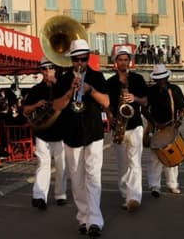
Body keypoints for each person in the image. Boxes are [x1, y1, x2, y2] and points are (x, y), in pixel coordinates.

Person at [52, 39, 109, 237]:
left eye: (83, 59)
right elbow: (57, 106)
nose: (80, 63)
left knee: (93, 176)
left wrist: (90, 90)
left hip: (93, 132)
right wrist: (70, 92)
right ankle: (84, 217)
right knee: (76, 179)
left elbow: (107, 102)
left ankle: (95, 220)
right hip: (71, 134)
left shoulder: (97, 76)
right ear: (71, 60)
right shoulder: (63, 79)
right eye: (76, 59)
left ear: (88, 58)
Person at [106, 46, 148, 212]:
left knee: (135, 163)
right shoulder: (109, 82)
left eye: (126, 59)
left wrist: (134, 98)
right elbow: (106, 105)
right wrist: (110, 116)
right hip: (118, 127)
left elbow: (145, 101)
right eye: (120, 59)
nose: (123, 62)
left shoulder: (137, 79)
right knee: (123, 164)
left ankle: (134, 197)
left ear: (129, 62)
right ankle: (125, 194)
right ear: (115, 62)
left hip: (135, 125)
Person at [23, 57, 67, 211]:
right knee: (43, 164)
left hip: (61, 131)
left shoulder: (61, 87)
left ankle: (60, 194)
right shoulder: (36, 90)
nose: (47, 72)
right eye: (44, 69)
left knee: (62, 165)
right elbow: (26, 110)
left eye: (51, 68)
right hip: (42, 132)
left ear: (56, 69)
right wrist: (36, 104)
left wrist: (56, 83)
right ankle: (40, 196)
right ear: (41, 71)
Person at [143, 64, 184, 197]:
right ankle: (154, 186)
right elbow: (144, 110)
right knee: (154, 159)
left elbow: (182, 109)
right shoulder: (150, 91)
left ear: (167, 77)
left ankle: (172, 184)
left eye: (163, 78)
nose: (161, 81)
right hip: (156, 127)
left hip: (171, 127)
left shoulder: (175, 89)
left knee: (172, 157)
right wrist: (154, 122)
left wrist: (179, 120)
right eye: (158, 79)